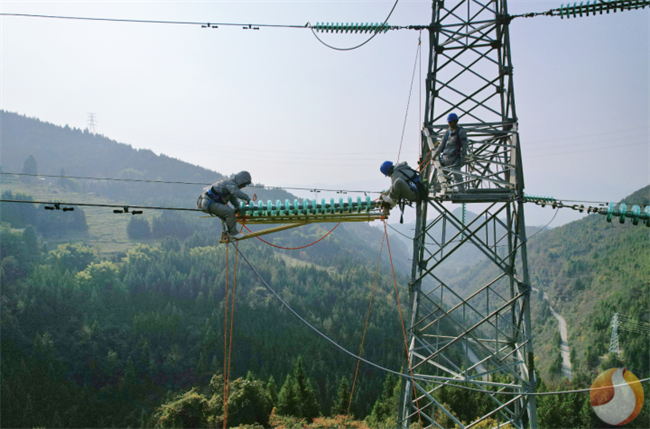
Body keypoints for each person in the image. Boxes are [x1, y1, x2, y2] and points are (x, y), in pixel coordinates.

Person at [197, 171, 252, 240]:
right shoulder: (230, 183)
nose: (244, 186)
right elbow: (235, 192)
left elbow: (234, 199)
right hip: (209, 202)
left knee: (226, 215)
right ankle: (233, 233)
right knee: (229, 212)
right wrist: (247, 198)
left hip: (210, 202)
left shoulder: (231, 186)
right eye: (244, 184)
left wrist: (238, 208)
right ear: (240, 181)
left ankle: (226, 234)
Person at [436, 112, 468, 192]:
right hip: (446, 158)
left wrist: (463, 158)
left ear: (456, 121)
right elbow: (442, 144)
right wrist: (436, 154)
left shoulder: (461, 132)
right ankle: (439, 189)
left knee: (457, 176)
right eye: (449, 122)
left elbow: (464, 146)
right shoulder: (447, 132)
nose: (450, 124)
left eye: (451, 122)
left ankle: (461, 192)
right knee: (441, 175)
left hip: (455, 158)